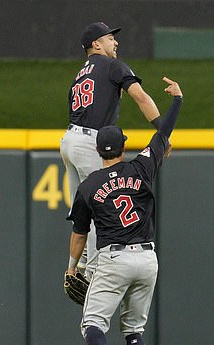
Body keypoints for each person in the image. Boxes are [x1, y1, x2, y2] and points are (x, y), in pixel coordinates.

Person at [65, 77, 183, 345]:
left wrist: (72, 268)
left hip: (113, 260)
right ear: (123, 147)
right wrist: (177, 100)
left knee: (92, 325)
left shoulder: (88, 187)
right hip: (147, 260)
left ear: (97, 151)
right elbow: (163, 134)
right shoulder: (141, 167)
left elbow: (79, 235)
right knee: (134, 329)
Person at [61, 21, 164, 279]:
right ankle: (94, 271)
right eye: (109, 39)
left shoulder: (81, 73)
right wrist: (162, 131)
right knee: (100, 206)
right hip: (90, 144)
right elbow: (140, 96)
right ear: (96, 44)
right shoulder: (112, 66)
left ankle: (79, 265)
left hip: (70, 140)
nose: (115, 42)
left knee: (81, 210)